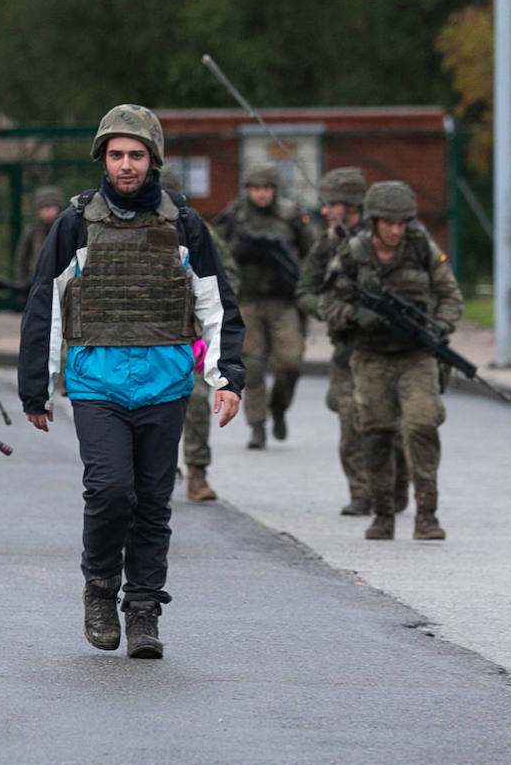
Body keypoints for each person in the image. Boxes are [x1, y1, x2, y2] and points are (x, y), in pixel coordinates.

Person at [18, 104, 244, 658]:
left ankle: (143, 608)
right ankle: (100, 587)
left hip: (165, 385)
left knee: (152, 502)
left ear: (153, 160)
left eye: (136, 155)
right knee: (110, 491)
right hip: (96, 385)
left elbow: (216, 305)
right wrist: (36, 385)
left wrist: (225, 376)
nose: (125, 165)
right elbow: (46, 304)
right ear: (103, 158)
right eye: (116, 155)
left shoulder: (185, 224)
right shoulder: (76, 223)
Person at [319, 181, 462, 541]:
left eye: (402, 223)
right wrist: (354, 316)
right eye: (389, 223)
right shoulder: (353, 253)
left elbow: (450, 295)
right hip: (371, 358)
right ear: (374, 221)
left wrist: (439, 327)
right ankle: (383, 513)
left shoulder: (421, 249)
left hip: (416, 356)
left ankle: (427, 515)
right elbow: (327, 303)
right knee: (377, 432)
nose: (396, 231)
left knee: (421, 425)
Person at [296, 167, 408, 517]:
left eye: (333, 204)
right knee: (349, 420)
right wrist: (337, 313)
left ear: (353, 204)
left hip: (390, 347)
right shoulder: (327, 244)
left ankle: (396, 486)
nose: (326, 211)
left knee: (391, 425)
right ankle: (362, 493)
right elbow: (305, 291)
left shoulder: (388, 239)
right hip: (349, 346)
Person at [215, 161, 315, 449]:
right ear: (248, 190)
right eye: (256, 188)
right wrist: (239, 252)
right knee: (253, 367)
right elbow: (216, 252)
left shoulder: (291, 216)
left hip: (283, 302)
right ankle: (257, 426)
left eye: (267, 188)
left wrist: (299, 280)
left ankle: (279, 408)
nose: (261, 194)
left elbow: (313, 254)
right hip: (247, 301)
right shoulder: (235, 217)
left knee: (290, 364)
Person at [159, 170, 239, 502]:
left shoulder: (195, 230)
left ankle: (196, 471)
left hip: (189, 334)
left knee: (194, 403)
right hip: (142, 337)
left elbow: (226, 274)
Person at [12, 185, 65, 291]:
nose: (47, 212)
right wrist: (21, 282)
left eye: (50, 207)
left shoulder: (66, 228)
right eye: (44, 208)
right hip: (37, 282)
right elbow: (22, 258)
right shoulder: (32, 231)